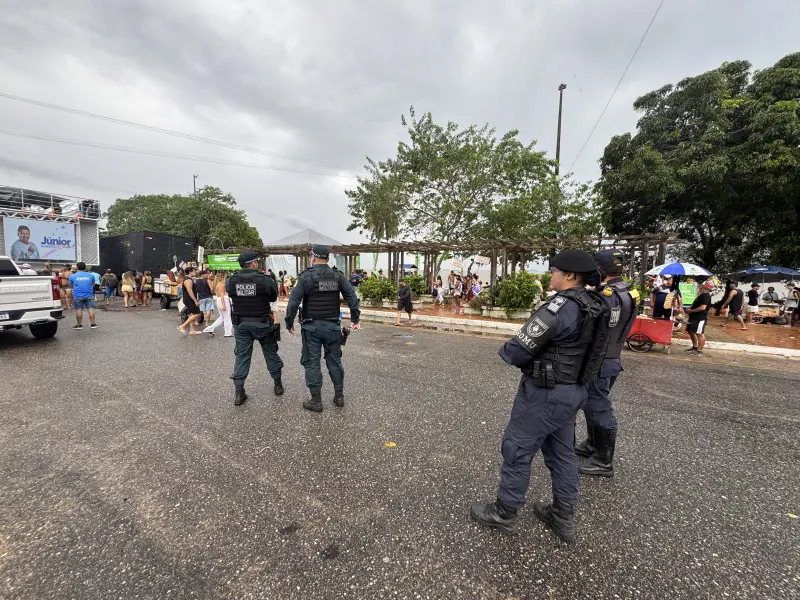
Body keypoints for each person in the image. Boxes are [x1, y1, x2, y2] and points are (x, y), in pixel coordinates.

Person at [471, 249, 610, 543]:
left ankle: (504, 512)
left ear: (570, 276)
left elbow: (515, 350)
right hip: (573, 392)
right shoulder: (594, 304)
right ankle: (563, 516)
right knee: (562, 454)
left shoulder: (560, 307)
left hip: (545, 394)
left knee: (517, 449)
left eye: (554, 270)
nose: (551, 275)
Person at [575, 250, 638, 478]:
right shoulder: (629, 291)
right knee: (592, 404)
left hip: (600, 360)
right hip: (613, 357)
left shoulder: (606, 295)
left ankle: (603, 460)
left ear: (599, 270)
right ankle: (592, 445)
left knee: (598, 406)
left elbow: (595, 329)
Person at [285, 245, 361, 412]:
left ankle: (316, 401)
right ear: (328, 258)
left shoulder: (305, 277)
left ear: (313, 257)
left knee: (312, 363)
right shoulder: (338, 276)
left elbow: (293, 302)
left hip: (311, 328)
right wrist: (355, 319)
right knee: (334, 360)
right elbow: (352, 296)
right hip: (332, 327)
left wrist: (289, 323)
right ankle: (339, 397)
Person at [227, 251, 284, 405]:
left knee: (242, 357)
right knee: (271, 353)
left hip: (241, 324)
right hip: (263, 323)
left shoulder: (231, 281)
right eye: (256, 261)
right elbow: (273, 297)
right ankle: (277, 385)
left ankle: (239, 392)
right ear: (253, 263)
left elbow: (231, 295)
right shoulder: (265, 280)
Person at [685, 279, 715, 355]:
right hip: (694, 317)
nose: (699, 286)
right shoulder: (701, 295)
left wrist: (691, 311)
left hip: (700, 317)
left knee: (699, 333)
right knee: (691, 331)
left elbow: (702, 308)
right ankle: (695, 347)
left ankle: (699, 350)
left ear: (704, 287)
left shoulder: (705, 296)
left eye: (701, 285)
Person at [69, 262, 98, 329]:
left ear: (77, 267)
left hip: (77, 295)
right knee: (90, 308)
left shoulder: (72, 276)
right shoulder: (91, 275)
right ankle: (93, 324)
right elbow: (93, 284)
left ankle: (79, 325)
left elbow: (71, 285)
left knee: (78, 309)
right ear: (85, 267)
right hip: (89, 294)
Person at [178, 266, 203, 335]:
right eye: (194, 271)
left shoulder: (188, 279)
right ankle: (182, 326)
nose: (195, 272)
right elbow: (189, 291)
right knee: (197, 314)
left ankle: (192, 330)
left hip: (189, 299)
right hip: (189, 299)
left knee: (193, 313)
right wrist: (195, 300)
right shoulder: (188, 280)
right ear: (190, 272)